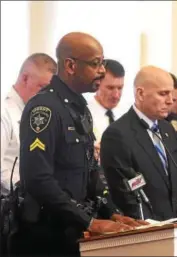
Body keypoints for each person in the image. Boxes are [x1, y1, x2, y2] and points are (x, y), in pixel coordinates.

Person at [10, 32, 145, 256]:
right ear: (70, 66)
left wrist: (111, 212)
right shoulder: (44, 109)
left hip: (73, 231)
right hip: (45, 235)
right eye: (95, 64)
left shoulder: (79, 108)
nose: (102, 70)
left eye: (102, 62)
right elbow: (37, 179)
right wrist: (90, 222)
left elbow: (90, 169)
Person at [100, 65, 177, 221]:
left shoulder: (167, 129)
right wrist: (153, 228)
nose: (170, 101)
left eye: (172, 94)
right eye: (163, 94)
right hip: (145, 230)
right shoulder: (118, 134)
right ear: (140, 94)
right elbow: (126, 192)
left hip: (176, 227)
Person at [1, 53, 57, 196]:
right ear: (25, 78)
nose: (46, 95)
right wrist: (25, 189)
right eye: (42, 87)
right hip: (10, 201)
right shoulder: (4, 112)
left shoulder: (36, 113)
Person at [87, 58, 125, 142]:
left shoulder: (127, 114)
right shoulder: (83, 114)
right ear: (97, 84)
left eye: (120, 88)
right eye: (110, 88)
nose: (116, 95)